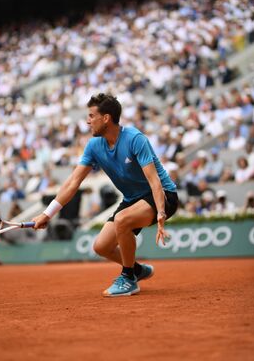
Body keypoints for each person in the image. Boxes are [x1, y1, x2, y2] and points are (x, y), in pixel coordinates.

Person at [32, 93, 178, 297]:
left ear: (106, 118)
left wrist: (161, 212)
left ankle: (128, 278)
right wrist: (47, 214)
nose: (87, 120)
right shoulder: (94, 146)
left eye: (92, 116)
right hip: (132, 199)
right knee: (102, 247)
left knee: (122, 219)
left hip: (163, 195)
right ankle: (137, 269)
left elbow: (155, 181)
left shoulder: (135, 139)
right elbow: (73, 182)